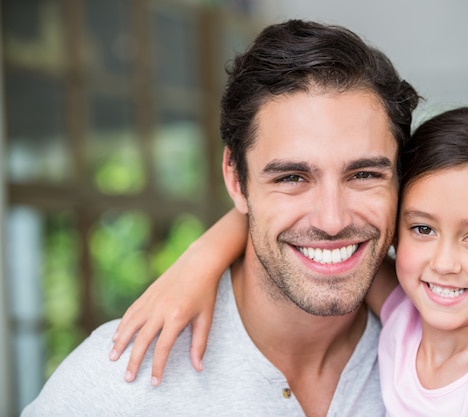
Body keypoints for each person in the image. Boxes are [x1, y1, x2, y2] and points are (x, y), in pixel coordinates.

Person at [21, 19, 419, 417]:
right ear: (234, 177)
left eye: (364, 175)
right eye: (292, 177)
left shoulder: (451, 354)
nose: (332, 220)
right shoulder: (115, 387)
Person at [111, 106, 468, 416]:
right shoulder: (403, 317)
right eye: (422, 229)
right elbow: (308, 226)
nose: (443, 263)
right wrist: (198, 262)